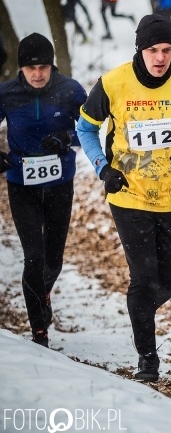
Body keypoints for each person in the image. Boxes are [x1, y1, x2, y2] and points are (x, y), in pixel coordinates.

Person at [77, 14, 171, 381]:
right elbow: (85, 128)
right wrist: (102, 168)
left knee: (169, 279)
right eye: (153, 50)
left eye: (167, 50)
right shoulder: (113, 83)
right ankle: (148, 357)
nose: (160, 58)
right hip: (129, 195)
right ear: (139, 50)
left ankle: (139, 312)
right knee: (142, 277)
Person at [0, 33, 87, 348]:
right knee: (33, 258)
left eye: (43, 67)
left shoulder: (71, 90)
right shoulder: (6, 94)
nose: (37, 74)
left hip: (59, 184)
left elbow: (92, 130)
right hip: (21, 185)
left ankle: (43, 292)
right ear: (21, 68)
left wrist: (67, 139)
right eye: (30, 68)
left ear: (52, 66)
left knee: (53, 260)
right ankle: (39, 328)